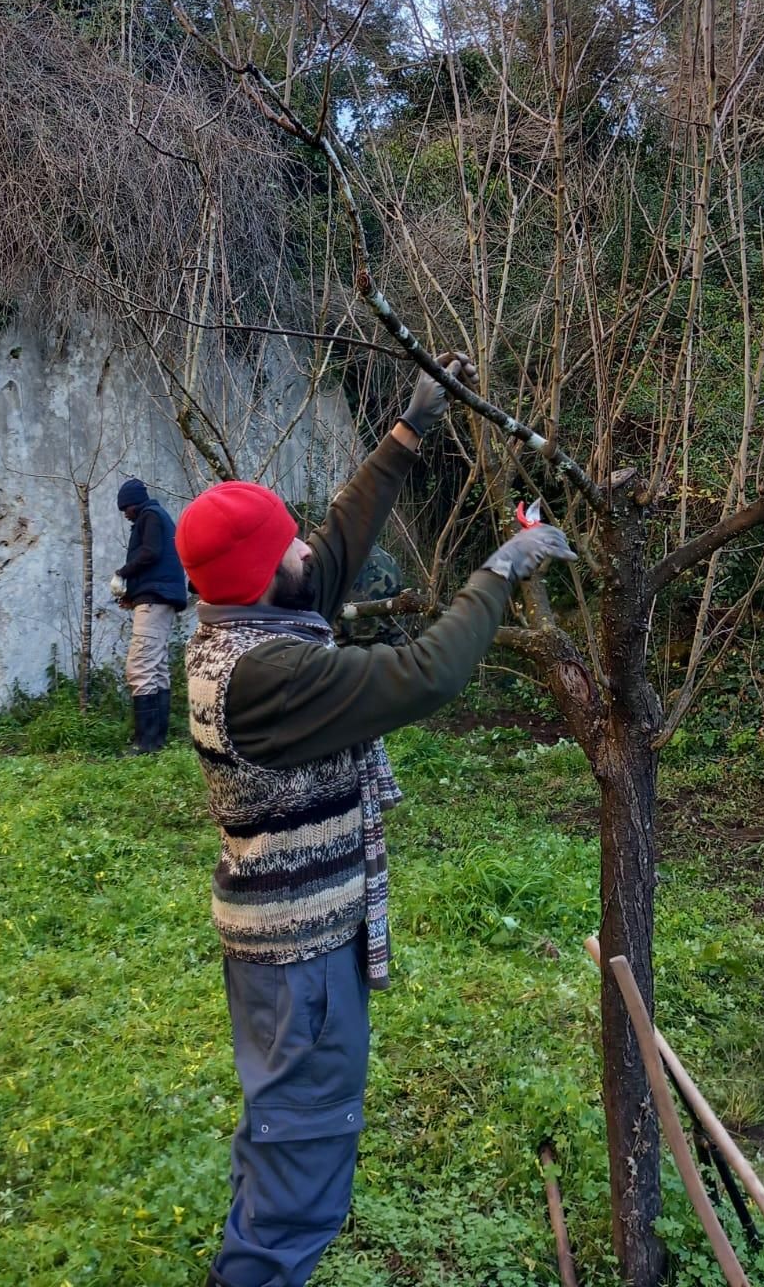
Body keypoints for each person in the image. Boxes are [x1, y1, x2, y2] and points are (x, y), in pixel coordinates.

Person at [173, 354, 574, 1287]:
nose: (307, 547)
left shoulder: (243, 618)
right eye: (289, 545)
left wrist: (407, 432)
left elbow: (334, 546)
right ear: (262, 575)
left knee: (284, 1139)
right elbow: (423, 676)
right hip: (302, 966)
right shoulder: (266, 676)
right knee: (301, 1164)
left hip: (288, 948)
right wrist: (500, 568)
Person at [111, 477, 187, 753]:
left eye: (125, 508)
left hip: (155, 602)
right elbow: (156, 561)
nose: (125, 514)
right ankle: (155, 741)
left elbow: (150, 553)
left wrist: (122, 573)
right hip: (158, 600)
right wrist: (132, 596)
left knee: (140, 666)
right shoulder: (157, 517)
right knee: (156, 668)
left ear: (134, 503)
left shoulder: (150, 516)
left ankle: (145, 744)